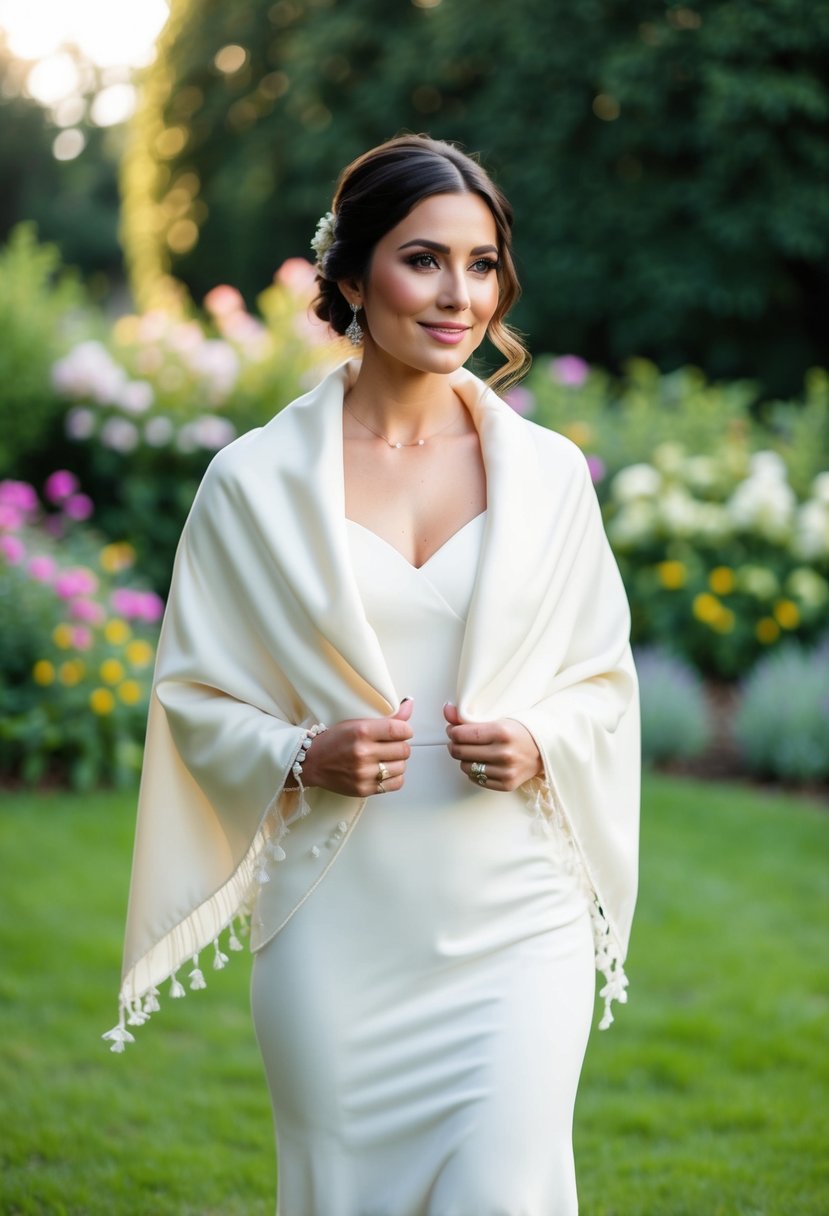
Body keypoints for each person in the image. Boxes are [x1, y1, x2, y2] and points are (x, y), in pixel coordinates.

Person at [105, 134, 640, 1215]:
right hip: (335, 929)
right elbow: (191, 697)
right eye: (423, 258)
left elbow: (603, 683)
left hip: (514, 922)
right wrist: (303, 751)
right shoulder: (251, 483)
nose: (459, 295)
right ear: (350, 276)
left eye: (482, 263)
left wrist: (539, 737)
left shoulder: (545, 477)